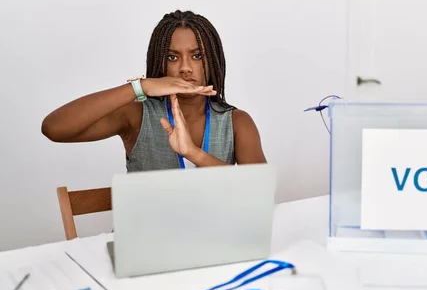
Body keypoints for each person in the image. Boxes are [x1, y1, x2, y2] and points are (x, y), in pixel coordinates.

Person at [42, 10, 267, 171]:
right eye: (172, 57)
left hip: (213, 237)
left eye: (197, 56)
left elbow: (261, 195)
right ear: (160, 62)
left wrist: (194, 153)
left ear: (214, 61)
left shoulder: (237, 122)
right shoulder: (137, 115)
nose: (185, 68)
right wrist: (140, 87)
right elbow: (54, 128)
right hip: (144, 238)